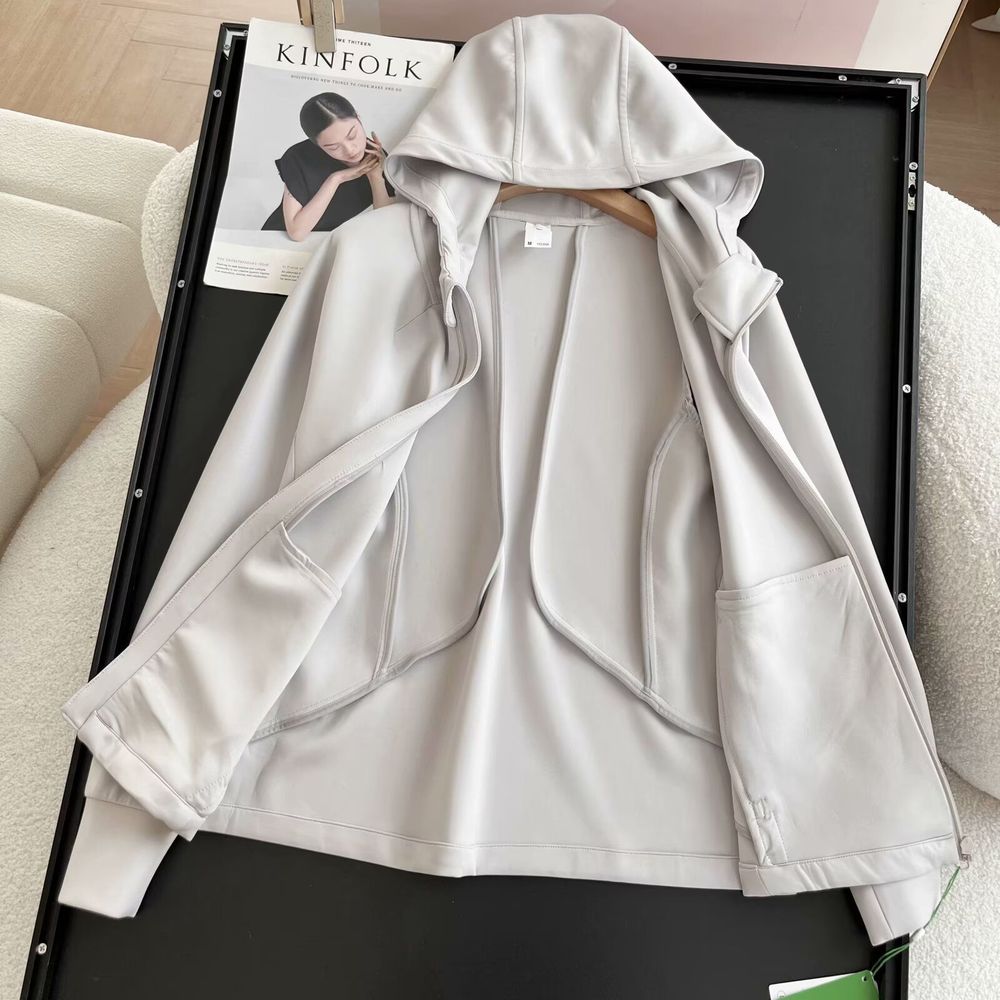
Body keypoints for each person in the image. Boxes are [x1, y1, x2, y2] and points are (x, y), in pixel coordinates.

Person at [261, 92, 395, 240]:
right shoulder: (298, 158)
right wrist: (336, 179)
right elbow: (296, 233)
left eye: (352, 136)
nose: (350, 150)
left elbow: (385, 223)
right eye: (334, 147)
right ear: (317, 145)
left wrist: (375, 176)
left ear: (358, 117)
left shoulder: (374, 154)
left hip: (328, 242)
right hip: (276, 240)